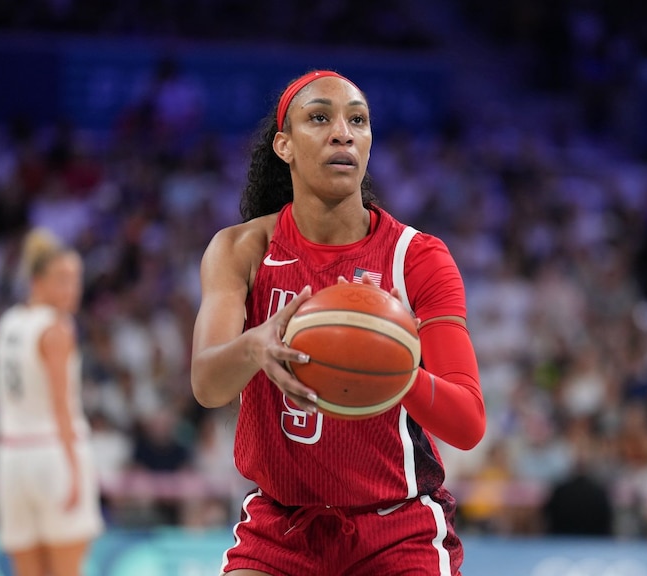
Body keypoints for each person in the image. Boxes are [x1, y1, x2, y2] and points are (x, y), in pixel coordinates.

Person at [191, 70, 486, 575]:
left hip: (397, 529)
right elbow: (206, 384)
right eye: (320, 118)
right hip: (282, 526)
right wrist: (254, 346)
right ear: (283, 145)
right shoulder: (241, 249)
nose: (343, 132)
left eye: (358, 120)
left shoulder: (418, 258)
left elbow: (468, 423)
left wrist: (396, 371)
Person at [0, 228, 102, 576]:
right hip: (53, 452)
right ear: (36, 280)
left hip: (10, 457)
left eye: (76, 279)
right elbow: (62, 406)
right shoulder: (57, 327)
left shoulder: (7, 322)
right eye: (63, 279)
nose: (73, 288)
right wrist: (73, 469)